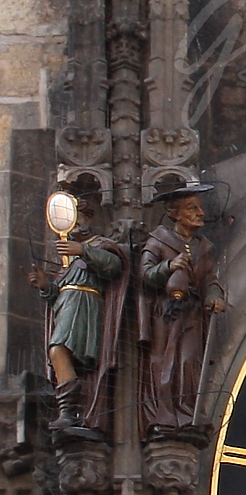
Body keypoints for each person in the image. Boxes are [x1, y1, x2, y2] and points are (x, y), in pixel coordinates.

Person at [26, 194, 126, 437]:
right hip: (66, 306)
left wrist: (83, 250)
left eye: (75, 218)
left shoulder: (100, 244)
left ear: (86, 218)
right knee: (58, 353)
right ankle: (69, 412)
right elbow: (59, 291)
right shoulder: (67, 258)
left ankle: (69, 411)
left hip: (86, 306)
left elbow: (114, 266)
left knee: (58, 350)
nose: (72, 225)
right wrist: (45, 286)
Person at [139, 184, 225, 438]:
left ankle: (188, 412)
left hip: (193, 314)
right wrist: (168, 266)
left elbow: (211, 279)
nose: (200, 213)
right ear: (175, 214)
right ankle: (164, 414)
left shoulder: (203, 247)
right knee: (164, 362)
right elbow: (144, 275)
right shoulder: (158, 241)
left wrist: (214, 295)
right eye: (192, 208)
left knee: (189, 360)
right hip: (166, 313)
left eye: (199, 207)